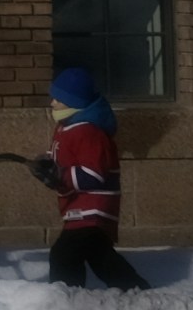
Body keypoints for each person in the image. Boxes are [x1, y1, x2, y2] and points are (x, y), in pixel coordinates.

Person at [30, 66, 150, 291]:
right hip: (77, 207)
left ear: (74, 102)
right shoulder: (66, 128)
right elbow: (64, 160)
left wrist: (59, 175)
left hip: (93, 208)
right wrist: (46, 166)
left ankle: (66, 298)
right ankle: (134, 290)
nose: (52, 103)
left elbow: (94, 173)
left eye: (59, 99)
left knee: (64, 254)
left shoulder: (89, 132)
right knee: (99, 255)